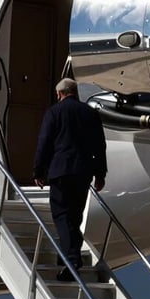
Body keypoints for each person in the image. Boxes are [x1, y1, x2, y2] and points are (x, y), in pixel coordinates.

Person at [33, 78, 107, 281]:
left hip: (61, 172)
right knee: (75, 217)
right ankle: (67, 256)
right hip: (84, 172)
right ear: (75, 92)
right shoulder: (90, 113)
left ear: (60, 94)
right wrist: (100, 174)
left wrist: (38, 171)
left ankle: (71, 260)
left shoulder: (54, 112)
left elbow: (44, 143)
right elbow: (100, 145)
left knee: (62, 216)